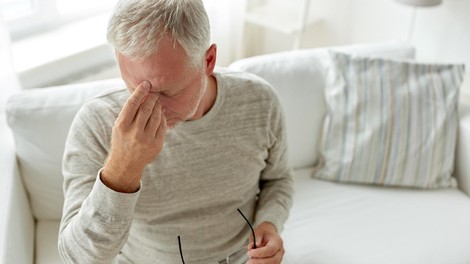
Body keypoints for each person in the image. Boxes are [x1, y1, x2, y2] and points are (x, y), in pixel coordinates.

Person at [58, 0, 293, 263]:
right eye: (134, 90)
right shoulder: (97, 123)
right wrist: (123, 168)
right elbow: (76, 258)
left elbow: (278, 180)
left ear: (208, 60)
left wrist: (270, 223)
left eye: (167, 92)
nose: (151, 109)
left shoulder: (259, 101)